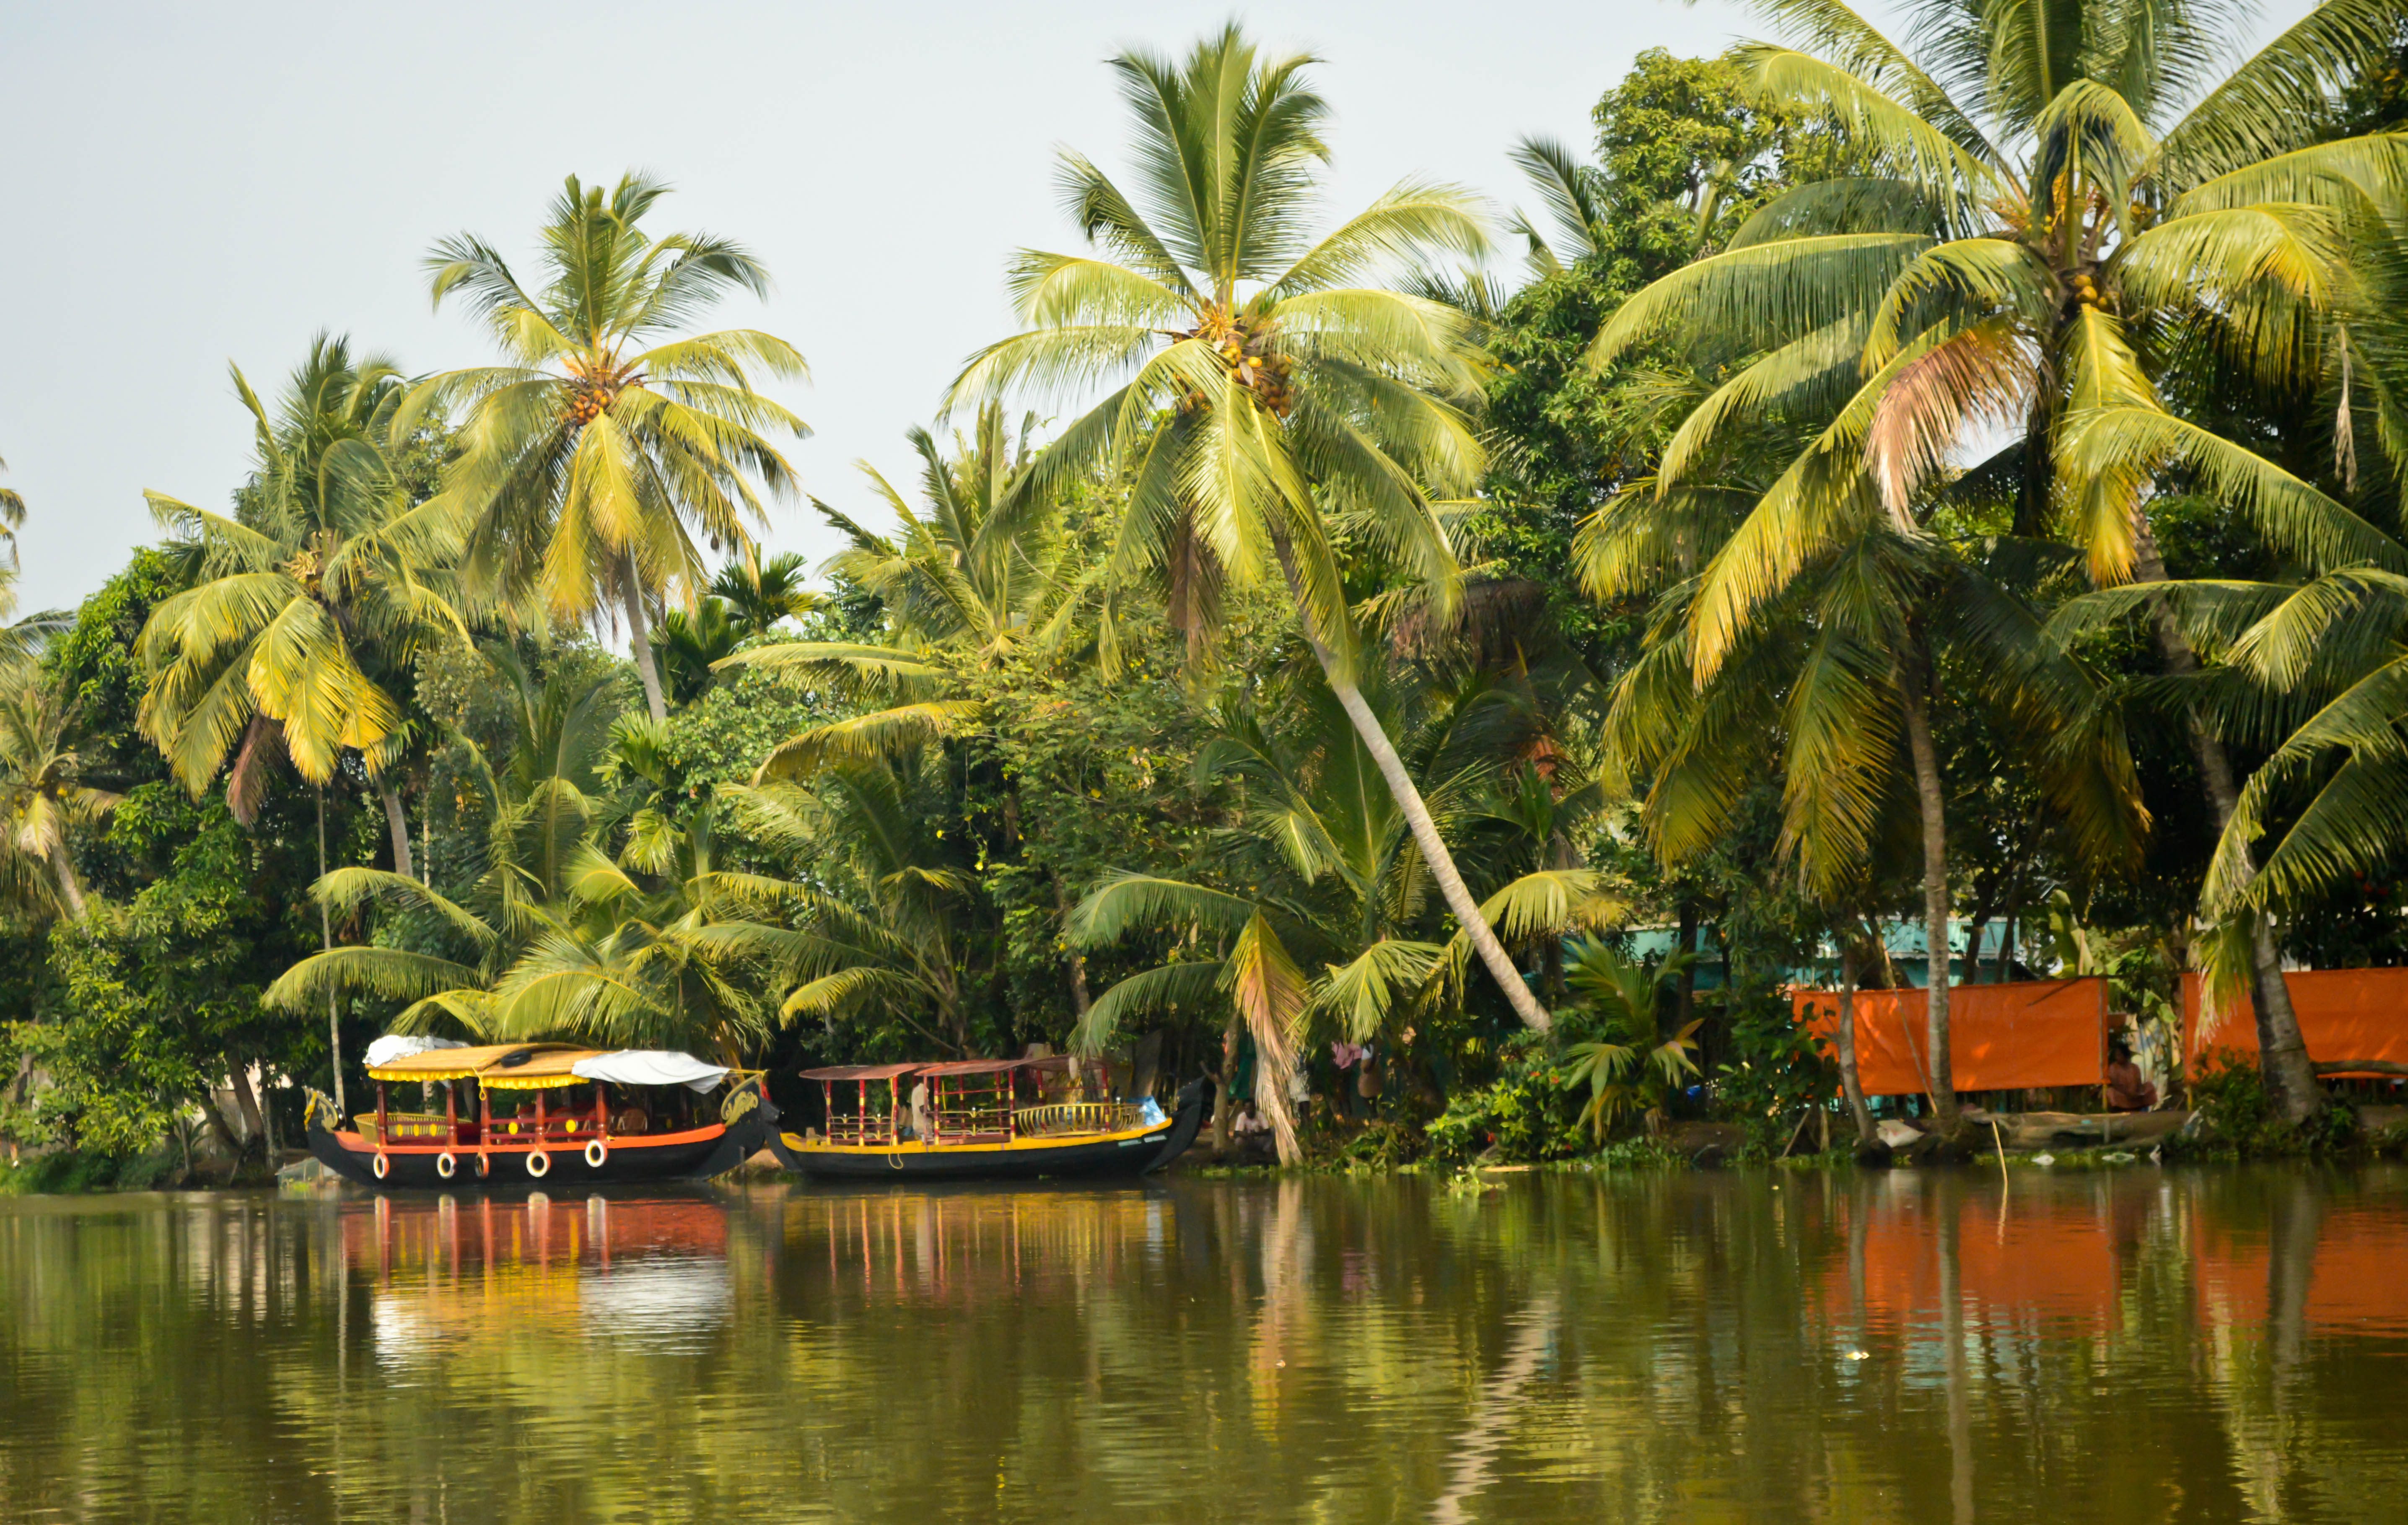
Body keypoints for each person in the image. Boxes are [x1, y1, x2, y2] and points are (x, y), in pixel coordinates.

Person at [2105, 1036, 2158, 1112]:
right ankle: (2121, 1108)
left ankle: (2138, 1106)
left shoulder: (2135, 1067)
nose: (2117, 1057)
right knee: (2111, 1092)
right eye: (2117, 1055)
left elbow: (2139, 1084)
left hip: (2136, 1096)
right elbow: (2116, 1085)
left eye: (2120, 1055)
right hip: (2123, 1096)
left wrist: (2137, 1093)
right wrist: (2127, 1093)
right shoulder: (2113, 1068)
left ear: (2126, 1055)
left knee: (2150, 1086)